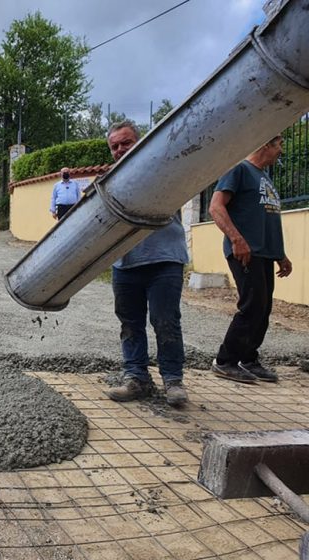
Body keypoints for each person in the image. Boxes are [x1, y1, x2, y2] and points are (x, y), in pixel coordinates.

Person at [104, 121, 190, 407]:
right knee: (130, 324)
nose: (119, 150)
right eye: (114, 146)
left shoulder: (163, 168)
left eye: (125, 143)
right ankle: (136, 378)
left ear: (139, 143)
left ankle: (173, 381)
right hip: (125, 264)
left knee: (166, 321)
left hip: (164, 259)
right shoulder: (109, 181)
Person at [208, 135, 292, 384]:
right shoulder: (239, 169)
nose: (281, 151)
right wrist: (236, 240)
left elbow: (266, 220)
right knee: (252, 305)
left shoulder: (264, 177)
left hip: (264, 253)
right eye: (279, 145)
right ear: (266, 144)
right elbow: (216, 207)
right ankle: (225, 361)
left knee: (263, 308)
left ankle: (248, 359)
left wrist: (280, 255)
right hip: (245, 251)